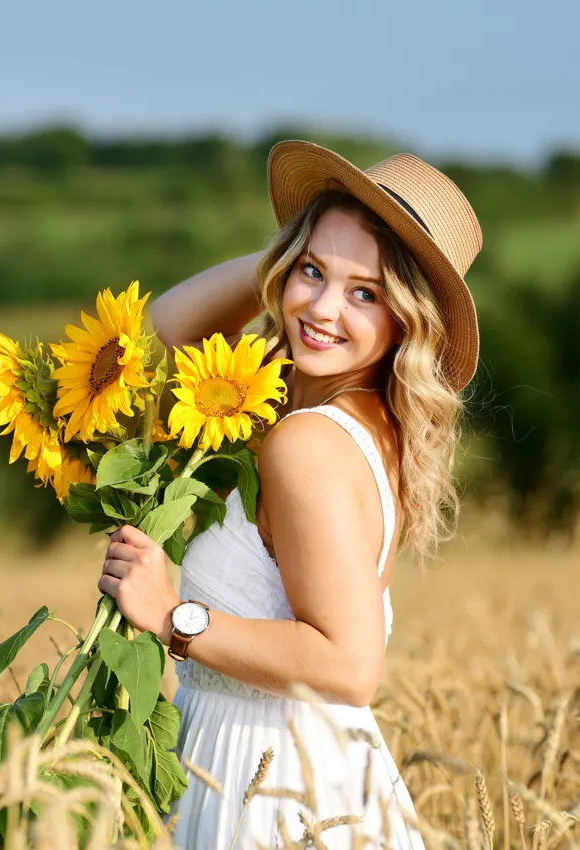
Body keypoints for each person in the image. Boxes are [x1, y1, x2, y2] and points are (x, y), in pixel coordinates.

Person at [95, 140, 483, 848]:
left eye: (365, 292)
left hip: (272, 792)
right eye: (313, 272)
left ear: (406, 318)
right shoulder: (355, 418)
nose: (323, 308)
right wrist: (287, 262)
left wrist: (171, 616)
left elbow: (349, 664)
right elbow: (158, 341)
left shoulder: (308, 444)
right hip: (282, 772)